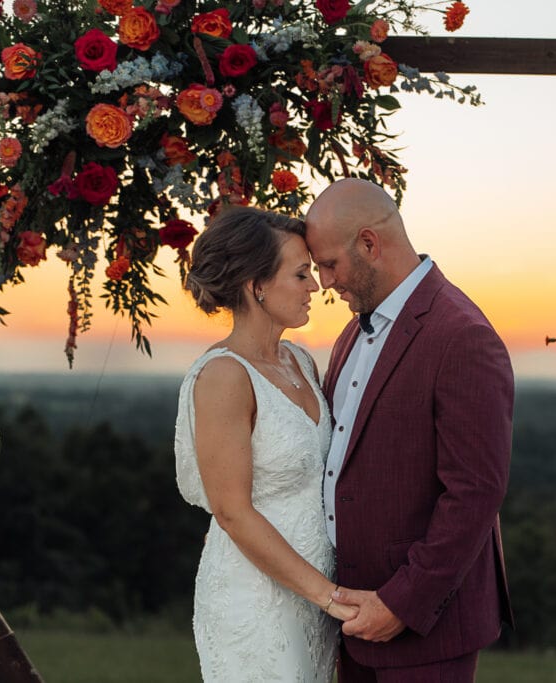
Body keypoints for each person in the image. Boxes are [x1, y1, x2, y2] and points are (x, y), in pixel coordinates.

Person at [305, 178, 515, 682]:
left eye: (329, 264)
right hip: (350, 621)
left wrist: (400, 604)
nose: (326, 283)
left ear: (370, 244)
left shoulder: (462, 335)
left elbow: (475, 493)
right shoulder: (352, 332)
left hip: (425, 630)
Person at [173, 205, 356, 682]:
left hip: (314, 598)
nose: (315, 286)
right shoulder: (224, 376)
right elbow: (232, 511)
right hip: (256, 598)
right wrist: (328, 595)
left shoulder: (300, 361)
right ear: (256, 285)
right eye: (300, 274)